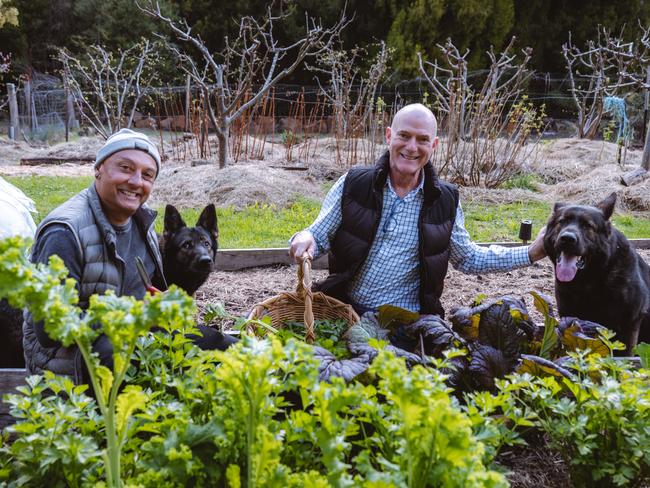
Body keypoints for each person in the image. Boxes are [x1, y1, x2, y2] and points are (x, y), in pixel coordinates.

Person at [289, 104, 546, 316]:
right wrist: (305, 238)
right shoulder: (355, 184)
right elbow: (318, 235)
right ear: (389, 136)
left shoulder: (444, 200)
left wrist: (531, 253)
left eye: (422, 140)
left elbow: (468, 257)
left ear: (433, 146)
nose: (412, 147)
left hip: (408, 322)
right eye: (404, 136)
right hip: (346, 311)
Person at [23, 128, 235, 384]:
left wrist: (163, 303)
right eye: (125, 168)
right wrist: (136, 313)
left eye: (147, 175)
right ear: (99, 168)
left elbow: (149, 291)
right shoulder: (65, 232)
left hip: (132, 340)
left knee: (226, 345)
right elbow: (49, 329)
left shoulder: (141, 222)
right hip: (72, 366)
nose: (136, 182)